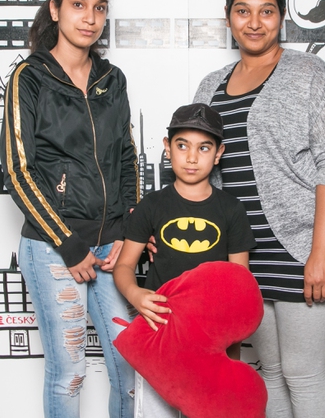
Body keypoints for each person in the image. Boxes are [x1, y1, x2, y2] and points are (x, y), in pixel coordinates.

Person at [194, 0, 325, 418]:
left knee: (303, 374)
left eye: (266, 11)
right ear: (228, 17)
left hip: (303, 248)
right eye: (243, 11)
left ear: (281, 17)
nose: (254, 22)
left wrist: (322, 252)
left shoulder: (310, 72)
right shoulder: (210, 86)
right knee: (271, 373)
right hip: (246, 257)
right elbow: (200, 170)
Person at [0, 0, 136, 418]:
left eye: (100, 8)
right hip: (54, 249)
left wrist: (129, 233)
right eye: (78, 5)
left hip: (112, 247)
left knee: (129, 367)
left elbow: (127, 158)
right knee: (69, 373)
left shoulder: (112, 80)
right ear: (56, 9)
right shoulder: (30, 78)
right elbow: (18, 171)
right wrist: (69, 244)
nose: (90, 18)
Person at [114, 103, 257, 418]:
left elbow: (240, 286)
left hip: (210, 338)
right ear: (167, 148)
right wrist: (135, 294)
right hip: (160, 332)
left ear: (218, 153)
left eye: (203, 148)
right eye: (183, 146)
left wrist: (230, 350)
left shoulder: (231, 210)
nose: (192, 157)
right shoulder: (152, 205)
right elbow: (124, 266)